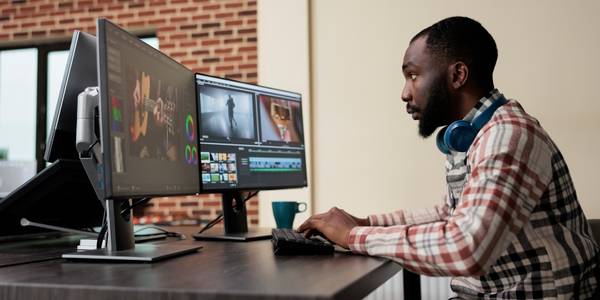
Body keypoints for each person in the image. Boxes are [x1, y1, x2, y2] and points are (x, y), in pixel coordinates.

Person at [298, 16, 599, 299]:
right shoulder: (475, 134)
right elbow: (448, 213)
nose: (405, 93)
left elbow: (465, 247)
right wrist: (366, 221)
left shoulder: (507, 135)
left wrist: (354, 235)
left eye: (413, 75)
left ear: (457, 75)